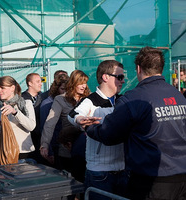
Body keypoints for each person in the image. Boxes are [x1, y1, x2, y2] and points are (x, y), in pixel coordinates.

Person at [86, 47, 186, 200]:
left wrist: (89, 127)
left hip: (151, 179)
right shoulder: (178, 96)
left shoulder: (134, 98)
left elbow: (109, 134)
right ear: (161, 68)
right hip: (181, 176)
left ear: (138, 69)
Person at [68, 60, 127, 199]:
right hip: (99, 174)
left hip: (123, 170)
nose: (123, 81)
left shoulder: (123, 100)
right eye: (119, 77)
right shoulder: (90, 100)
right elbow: (73, 114)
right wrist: (80, 119)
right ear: (105, 77)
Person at [40, 70, 90, 172]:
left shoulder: (90, 98)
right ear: (72, 83)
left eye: (85, 83)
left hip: (87, 148)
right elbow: (50, 123)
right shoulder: (60, 99)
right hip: (67, 149)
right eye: (80, 83)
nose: (83, 86)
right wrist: (44, 144)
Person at [0, 76, 36, 160]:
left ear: (12, 88)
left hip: (24, 153)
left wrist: (15, 112)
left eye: (2, 88)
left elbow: (31, 126)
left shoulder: (26, 103)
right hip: (5, 153)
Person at [40, 73, 69, 165]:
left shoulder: (69, 101)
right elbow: (45, 127)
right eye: (62, 89)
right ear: (56, 89)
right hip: (55, 146)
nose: (65, 92)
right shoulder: (47, 104)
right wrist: (50, 151)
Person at [21, 73, 43, 161]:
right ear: (30, 83)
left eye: (40, 81)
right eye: (37, 81)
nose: (40, 84)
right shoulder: (22, 98)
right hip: (27, 140)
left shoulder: (43, 97)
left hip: (40, 139)